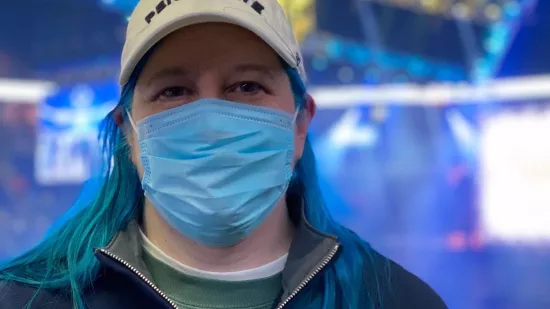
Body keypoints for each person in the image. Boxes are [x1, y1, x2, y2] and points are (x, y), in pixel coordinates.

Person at [0, 0, 448, 308]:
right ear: (128, 134)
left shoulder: (395, 301)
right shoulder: (25, 301)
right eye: (173, 91)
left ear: (300, 124)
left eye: (247, 86)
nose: (211, 119)